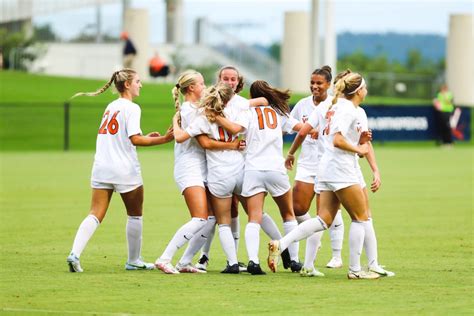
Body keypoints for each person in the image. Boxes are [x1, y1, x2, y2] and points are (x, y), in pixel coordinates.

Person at [268, 71, 391, 279]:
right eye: (365, 87)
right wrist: (360, 149)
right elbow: (338, 140)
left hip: (324, 168)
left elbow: (308, 131)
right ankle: (355, 270)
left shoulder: (330, 105)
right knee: (361, 219)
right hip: (341, 168)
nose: (366, 91)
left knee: (323, 219)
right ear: (358, 91)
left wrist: (360, 141)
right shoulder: (349, 109)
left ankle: (282, 244)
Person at [66, 68, 174, 273]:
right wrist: (164, 139)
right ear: (127, 85)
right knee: (135, 214)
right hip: (124, 169)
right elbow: (134, 140)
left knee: (95, 213)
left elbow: (125, 136)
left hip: (101, 166)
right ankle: (134, 260)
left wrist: (146, 135)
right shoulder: (133, 108)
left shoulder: (111, 106)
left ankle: (74, 253)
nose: (140, 85)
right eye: (138, 81)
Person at [194, 66, 292, 272]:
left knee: (229, 218)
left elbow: (207, 140)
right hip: (235, 167)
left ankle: (230, 262)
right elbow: (263, 102)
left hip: (233, 169)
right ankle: (280, 247)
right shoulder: (236, 104)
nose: (229, 82)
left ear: (238, 82)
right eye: (226, 79)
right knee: (247, 214)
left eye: (233, 79)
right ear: (219, 80)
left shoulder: (220, 105)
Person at [154, 70, 241, 274]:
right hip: (189, 167)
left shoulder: (195, 109)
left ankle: (185, 262)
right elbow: (201, 142)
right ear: (191, 88)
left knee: (210, 219)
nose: (205, 87)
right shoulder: (189, 111)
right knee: (200, 218)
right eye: (201, 84)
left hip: (201, 167)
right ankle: (164, 258)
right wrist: (233, 145)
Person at [217, 80, 302, 275]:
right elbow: (302, 128)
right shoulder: (279, 112)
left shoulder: (246, 112)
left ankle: (253, 261)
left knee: (254, 218)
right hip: (276, 169)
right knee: (288, 215)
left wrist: (217, 118)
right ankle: (295, 260)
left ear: (251, 96)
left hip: (253, 169)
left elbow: (235, 129)